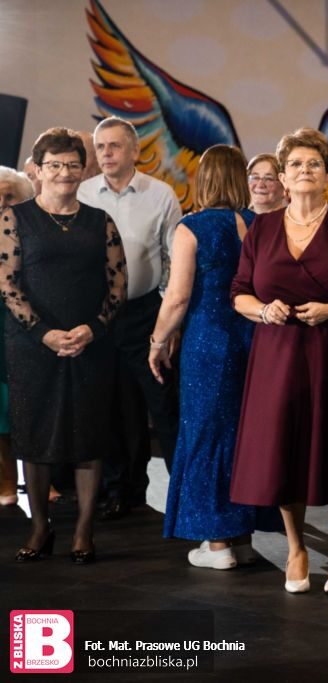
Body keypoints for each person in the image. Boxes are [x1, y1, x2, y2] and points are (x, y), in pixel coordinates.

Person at [230, 127, 328, 593]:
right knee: (283, 448)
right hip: (276, 355)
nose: (304, 170)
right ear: (281, 176)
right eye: (295, 164)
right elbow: (239, 293)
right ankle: (295, 548)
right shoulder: (262, 228)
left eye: (313, 163)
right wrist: (264, 311)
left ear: (327, 174)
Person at [1, 127, 127, 563]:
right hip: (32, 345)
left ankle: (84, 531)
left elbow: (118, 285)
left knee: (89, 436)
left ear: (83, 168)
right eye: (54, 165)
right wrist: (44, 333)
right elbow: (8, 285)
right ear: (37, 170)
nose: (64, 172)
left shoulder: (100, 220)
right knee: (33, 437)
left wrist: (92, 329)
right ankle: (40, 527)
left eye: (72, 164)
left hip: (91, 344)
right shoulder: (14, 218)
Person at [148, 145, 263, 570]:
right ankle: (243, 539)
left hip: (208, 343)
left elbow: (178, 298)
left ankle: (217, 546)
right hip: (252, 339)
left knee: (206, 435)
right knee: (243, 437)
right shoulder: (259, 225)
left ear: (205, 178)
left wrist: (157, 341)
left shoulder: (192, 227)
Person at [78, 116, 183, 521]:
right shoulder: (85, 193)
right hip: (98, 317)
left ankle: (184, 495)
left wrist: (168, 321)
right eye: (100, 146)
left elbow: (175, 258)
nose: (105, 153)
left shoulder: (160, 194)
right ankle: (123, 490)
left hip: (146, 315)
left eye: (114, 145)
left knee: (164, 406)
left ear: (135, 151)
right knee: (114, 409)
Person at [0, 167, 34, 505]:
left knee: (26, 404)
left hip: (27, 330)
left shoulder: (34, 233)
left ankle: (41, 482)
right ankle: (6, 483)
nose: (1, 202)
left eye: (9, 196)